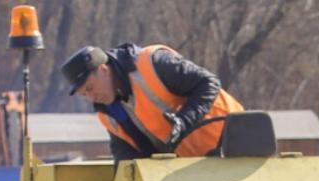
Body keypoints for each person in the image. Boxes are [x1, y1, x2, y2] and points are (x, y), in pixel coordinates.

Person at [60, 43, 244, 161]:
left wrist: (184, 120)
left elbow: (208, 83)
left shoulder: (152, 63)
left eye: (90, 88)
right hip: (196, 168)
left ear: (103, 69)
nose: (91, 98)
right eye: (84, 94)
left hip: (236, 149)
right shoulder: (109, 114)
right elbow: (127, 158)